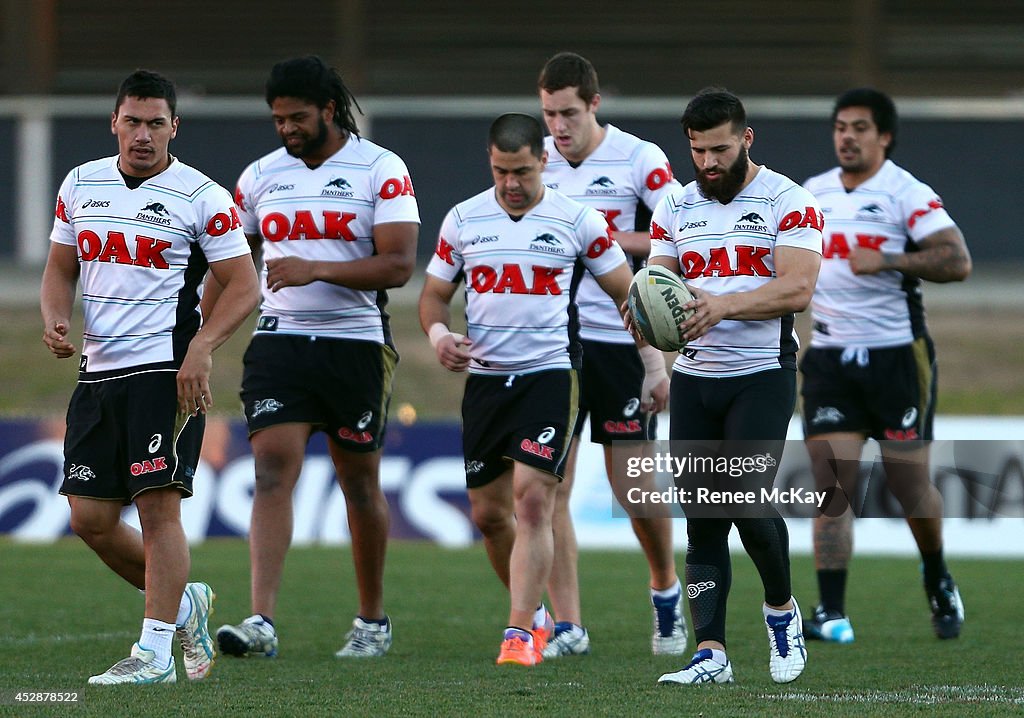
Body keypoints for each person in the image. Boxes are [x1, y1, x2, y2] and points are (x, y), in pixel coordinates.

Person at [40, 69, 260, 684]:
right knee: (90, 519)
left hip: (166, 372)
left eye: (155, 123)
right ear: (114, 121)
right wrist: (56, 317)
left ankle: (155, 652)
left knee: (159, 509)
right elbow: (60, 267)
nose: (142, 134)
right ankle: (183, 603)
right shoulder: (80, 184)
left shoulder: (203, 196)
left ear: (174, 127)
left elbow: (245, 286)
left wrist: (203, 348)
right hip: (97, 374)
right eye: (132, 121)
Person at [418, 113, 659, 666]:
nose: (512, 183)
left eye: (522, 171)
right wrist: (438, 334)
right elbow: (433, 295)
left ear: (543, 161)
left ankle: (519, 633)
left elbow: (630, 296)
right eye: (502, 171)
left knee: (534, 499)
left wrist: (652, 364)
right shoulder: (463, 219)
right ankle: (537, 614)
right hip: (484, 382)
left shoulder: (578, 221)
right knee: (488, 514)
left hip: (551, 375)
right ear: (490, 163)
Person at [213, 56, 419, 659]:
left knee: (359, 483)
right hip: (280, 339)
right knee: (271, 468)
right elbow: (231, 264)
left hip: (356, 343)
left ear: (329, 109)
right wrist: (199, 334)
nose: (287, 129)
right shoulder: (257, 177)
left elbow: (400, 265)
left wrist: (316, 267)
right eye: (278, 120)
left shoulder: (381, 169)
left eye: (297, 117)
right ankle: (261, 621)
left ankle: (372, 620)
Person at [631, 88, 823, 685]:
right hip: (694, 379)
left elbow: (797, 290)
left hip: (761, 375)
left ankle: (781, 612)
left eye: (720, 149)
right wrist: (641, 305)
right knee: (702, 519)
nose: (709, 163)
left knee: (745, 498)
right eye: (698, 151)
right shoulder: (675, 207)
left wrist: (725, 306)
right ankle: (710, 653)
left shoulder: (790, 202)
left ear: (747, 138)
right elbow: (660, 281)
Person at [800, 88, 971, 643]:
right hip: (829, 358)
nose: (847, 136)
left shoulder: (906, 194)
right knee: (832, 485)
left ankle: (938, 574)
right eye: (840, 126)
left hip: (898, 357)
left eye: (860, 127)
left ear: (884, 136)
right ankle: (830, 611)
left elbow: (957, 260)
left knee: (908, 483)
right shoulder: (811, 194)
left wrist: (891, 259)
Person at [536, 51, 683, 658]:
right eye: (548, 114)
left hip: (623, 339)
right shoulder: (536, 162)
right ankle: (569, 623)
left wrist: (605, 238)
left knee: (632, 487)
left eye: (569, 112)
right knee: (549, 490)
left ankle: (666, 589)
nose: (558, 126)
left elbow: (682, 228)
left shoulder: (639, 159)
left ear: (594, 105)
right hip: (555, 344)